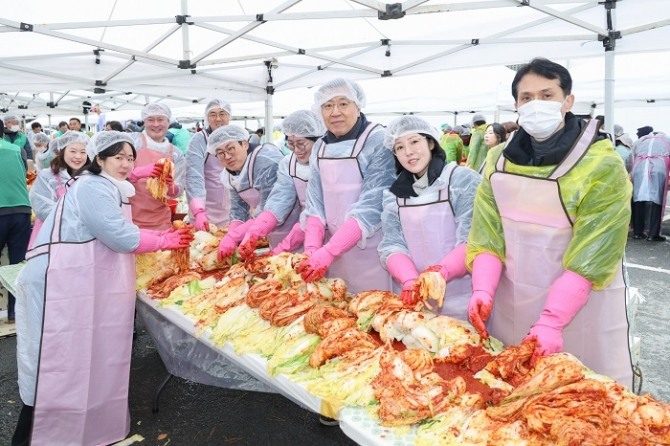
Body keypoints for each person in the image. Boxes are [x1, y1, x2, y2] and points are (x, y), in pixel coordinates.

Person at [12, 131, 193, 446]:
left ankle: (83, 431)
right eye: (118, 157)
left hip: (75, 283)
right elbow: (120, 236)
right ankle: (36, 435)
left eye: (129, 158)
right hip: (58, 285)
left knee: (83, 358)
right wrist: (165, 240)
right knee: (56, 362)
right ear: (100, 159)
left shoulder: (107, 186)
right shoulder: (94, 187)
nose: (125, 164)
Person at [465, 57, 632, 387]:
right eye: (526, 98)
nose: (536, 105)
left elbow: (594, 255)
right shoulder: (499, 160)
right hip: (512, 297)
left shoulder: (600, 163)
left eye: (547, 95)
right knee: (508, 395)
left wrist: (553, 320)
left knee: (576, 403)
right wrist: (483, 288)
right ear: (516, 105)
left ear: (568, 101)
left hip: (576, 307)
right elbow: (487, 233)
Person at [296, 78, 396, 294]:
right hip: (332, 252)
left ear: (358, 107)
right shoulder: (320, 146)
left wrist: (330, 251)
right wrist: (312, 249)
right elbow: (315, 204)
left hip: (372, 252)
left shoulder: (377, 141)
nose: (335, 112)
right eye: (327, 106)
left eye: (343, 103)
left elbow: (371, 206)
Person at [378, 116, 481, 320]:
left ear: (431, 142)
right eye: (399, 147)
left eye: (414, 142)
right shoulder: (394, 195)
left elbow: (473, 239)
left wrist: (442, 272)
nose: (408, 152)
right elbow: (392, 244)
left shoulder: (461, 180)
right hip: (416, 301)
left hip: (463, 299)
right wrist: (408, 279)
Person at [237, 110, 326, 259]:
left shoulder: (328, 163)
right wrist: (256, 231)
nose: (296, 150)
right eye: (291, 144)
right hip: (304, 228)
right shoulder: (288, 163)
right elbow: (280, 198)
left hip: (330, 234)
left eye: (301, 144)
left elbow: (321, 208)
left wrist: (295, 237)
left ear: (317, 139)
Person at [207, 125, 284, 260]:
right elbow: (239, 208)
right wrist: (233, 232)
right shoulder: (231, 174)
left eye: (231, 148)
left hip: (289, 225)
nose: (227, 156)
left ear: (245, 144)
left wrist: (235, 236)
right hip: (265, 229)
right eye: (220, 153)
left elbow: (269, 207)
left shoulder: (265, 160)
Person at [27, 131, 90, 249]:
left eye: (83, 152)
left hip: (84, 241)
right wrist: (77, 222)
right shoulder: (48, 177)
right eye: (73, 151)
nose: (78, 156)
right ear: (62, 151)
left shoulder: (90, 177)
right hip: (52, 240)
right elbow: (43, 208)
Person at [128, 103, 186, 230]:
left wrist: (171, 187)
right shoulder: (132, 142)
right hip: (129, 220)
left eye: (160, 119)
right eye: (150, 120)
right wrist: (135, 174)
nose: (155, 124)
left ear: (168, 121)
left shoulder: (176, 154)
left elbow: (178, 190)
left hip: (160, 221)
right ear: (144, 121)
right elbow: (112, 174)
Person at [0, 119, 31, 325]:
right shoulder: (16, 149)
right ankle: (15, 314)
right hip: (21, 208)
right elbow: (22, 175)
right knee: (18, 264)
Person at [186, 99, 233, 231]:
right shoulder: (200, 140)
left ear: (229, 116)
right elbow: (194, 177)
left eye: (222, 114)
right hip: (206, 211)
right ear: (207, 118)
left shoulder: (236, 139)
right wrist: (199, 211)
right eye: (213, 114)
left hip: (231, 211)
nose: (218, 119)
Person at [631, 128, 670, 241]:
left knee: (638, 199)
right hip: (658, 167)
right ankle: (653, 234)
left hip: (639, 167)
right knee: (657, 200)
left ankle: (638, 232)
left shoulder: (642, 140)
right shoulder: (666, 139)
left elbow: (633, 153)